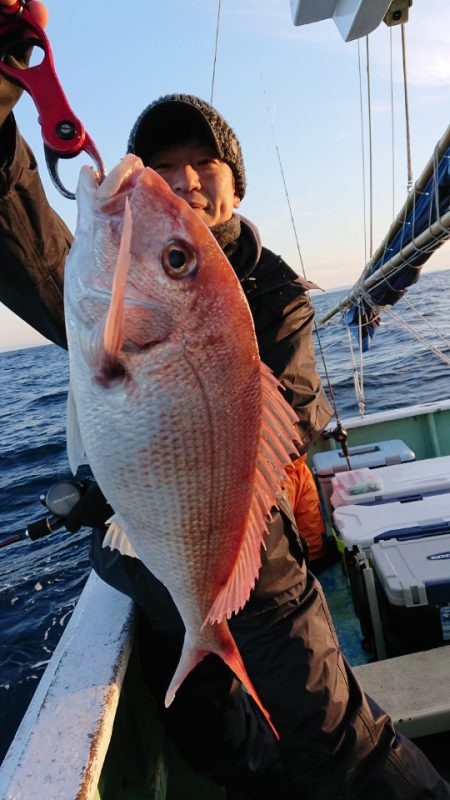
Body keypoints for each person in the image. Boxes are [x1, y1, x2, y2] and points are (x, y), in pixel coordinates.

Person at [0, 6, 448, 799]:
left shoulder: (275, 290)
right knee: (206, 728)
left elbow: (298, 408)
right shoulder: (100, 289)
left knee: (331, 721)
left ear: (235, 186)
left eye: (204, 163)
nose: (180, 178)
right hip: (144, 546)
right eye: (161, 163)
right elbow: (19, 231)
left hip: (250, 542)